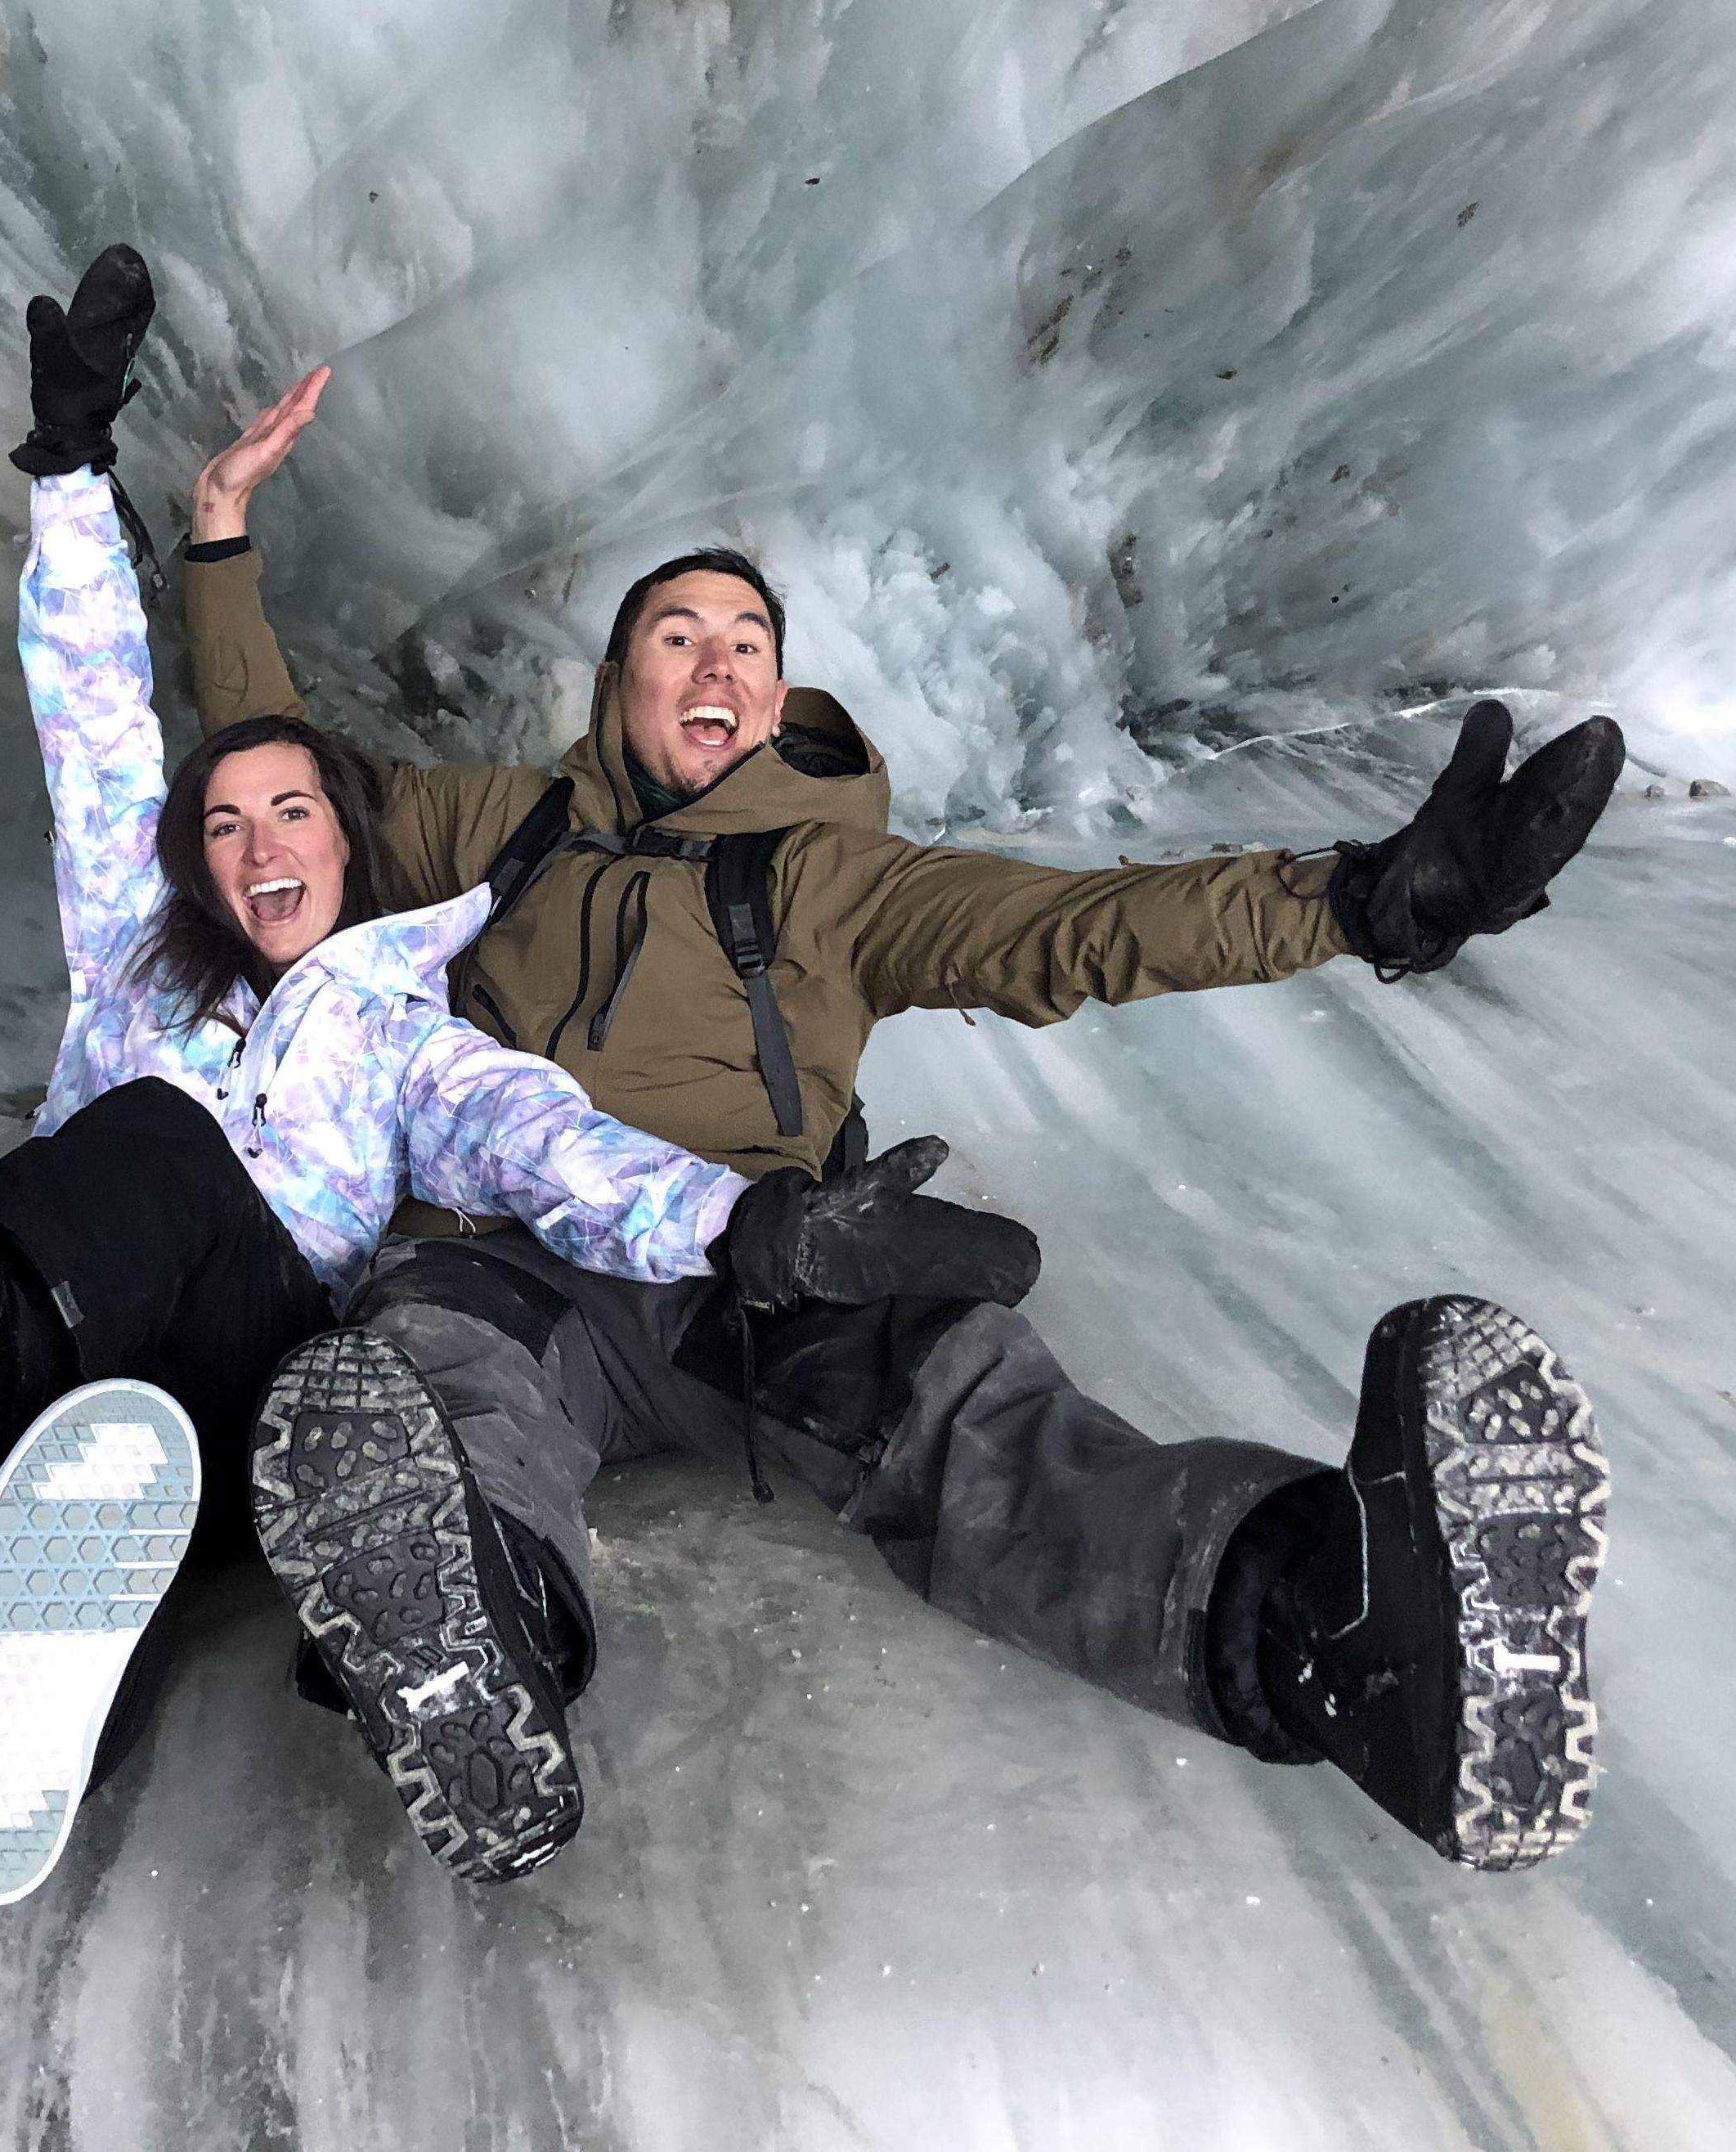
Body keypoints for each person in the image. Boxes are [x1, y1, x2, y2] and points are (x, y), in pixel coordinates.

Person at [181, 348, 1624, 1880]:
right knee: (428, 1385)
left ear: (782, 693)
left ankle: (1334, 1630)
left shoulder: (830, 877)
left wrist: (1356, 901)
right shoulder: (497, 827)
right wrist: (217, 531)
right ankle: (478, 1663)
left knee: (970, 1409)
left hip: (755, 1258)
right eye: (679, 635)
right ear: (618, 685)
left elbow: (1077, 928)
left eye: (749, 643)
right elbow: (285, 787)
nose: (718, 666)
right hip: (509, 1253)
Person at [0, 249, 1037, 1907]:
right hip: (95, 1332)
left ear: (351, 848)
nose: (256, 839)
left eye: (293, 808)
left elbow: (551, 1143)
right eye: (222, 823)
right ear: (195, 866)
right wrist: (72, 473)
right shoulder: (135, 957)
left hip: (254, 1344)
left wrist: (747, 1227)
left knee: (147, 1332)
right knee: (93, 1487)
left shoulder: (400, 1023)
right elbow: (93, 727)